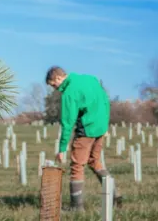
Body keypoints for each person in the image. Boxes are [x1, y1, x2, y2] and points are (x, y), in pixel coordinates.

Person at [45, 66, 122, 212]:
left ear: (58, 78)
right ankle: (115, 195)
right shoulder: (90, 79)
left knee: (77, 166)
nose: (54, 89)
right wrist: (105, 127)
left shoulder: (69, 92)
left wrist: (62, 149)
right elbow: (105, 100)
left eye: (53, 85)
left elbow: (68, 122)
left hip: (86, 128)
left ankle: (76, 207)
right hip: (100, 127)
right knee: (94, 161)